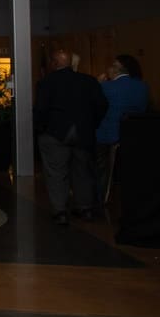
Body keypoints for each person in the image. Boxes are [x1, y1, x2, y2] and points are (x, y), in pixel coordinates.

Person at [33, 49, 107, 225]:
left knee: (56, 173)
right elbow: (102, 105)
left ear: (54, 63)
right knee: (83, 171)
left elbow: (40, 110)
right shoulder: (88, 81)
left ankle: (60, 211)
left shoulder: (46, 82)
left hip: (54, 133)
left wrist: (42, 129)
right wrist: (91, 124)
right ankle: (85, 208)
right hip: (83, 133)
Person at [94, 54, 149, 209]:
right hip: (133, 135)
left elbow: (95, 105)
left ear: (116, 70)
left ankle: (100, 197)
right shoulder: (142, 86)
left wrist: (98, 83)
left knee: (101, 167)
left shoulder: (106, 86)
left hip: (106, 134)